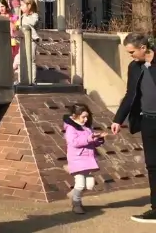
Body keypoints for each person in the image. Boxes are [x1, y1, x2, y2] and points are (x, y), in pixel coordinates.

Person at [112, 33, 156, 223]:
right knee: (153, 165)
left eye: (132, 52)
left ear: (143, 48)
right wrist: (118, 119)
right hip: (148, 121)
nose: (130, 56)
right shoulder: (134, 67)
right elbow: (130, 94)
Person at [64, 103, 106, 214]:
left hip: (87, 160)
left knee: (90, 185)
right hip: (77, 159)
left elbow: (92, 142)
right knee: (80, 184)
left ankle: (73, 194)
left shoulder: (87, 128)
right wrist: (89, 138)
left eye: (87, 116)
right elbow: (74, 142)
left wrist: (99, 139)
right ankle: (76, 204)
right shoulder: (70, 128)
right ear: (74, 115)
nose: (86, 119)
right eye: (83, 117)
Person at [17, 0, 40, 85]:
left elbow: (33, 22)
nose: (21, 7)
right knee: (21, 60)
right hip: (23, 40)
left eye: (23, 5)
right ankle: (21, 79)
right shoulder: (22, 16)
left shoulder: (34, 15)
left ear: (29, 6)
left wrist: (25, 17)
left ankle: (32, 80)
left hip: (31, 40)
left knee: (31, 60)